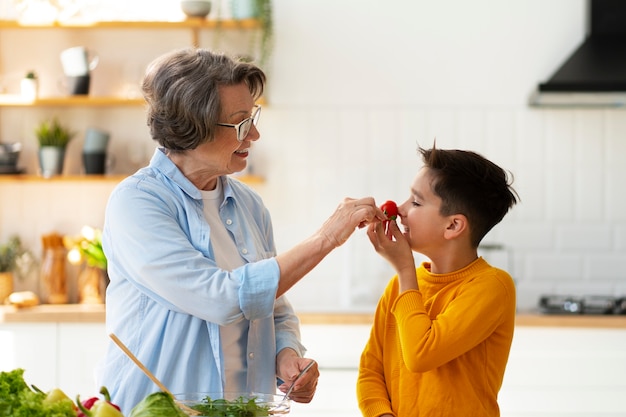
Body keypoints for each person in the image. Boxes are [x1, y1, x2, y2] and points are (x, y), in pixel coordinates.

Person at [95, 47, 384, 414]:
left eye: (253, 117)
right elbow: (221, 299)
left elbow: (274, 308)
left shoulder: (249, 205)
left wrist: (286, 353)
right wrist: (325, 239)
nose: (255, 134)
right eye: (240, 122)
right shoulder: (137, 203)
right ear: (191, 127)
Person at [357, 145, 519, 417]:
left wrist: (405, 269)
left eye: (416, 202)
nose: (399, 209)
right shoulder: (400, 286)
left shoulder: (492, 286)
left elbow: (421, 354)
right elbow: (371, 371)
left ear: (453, 226)